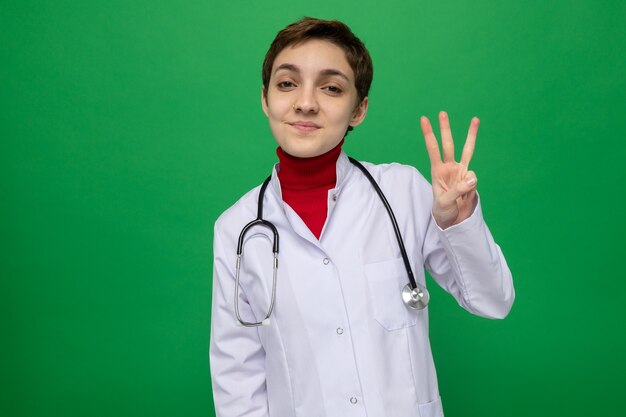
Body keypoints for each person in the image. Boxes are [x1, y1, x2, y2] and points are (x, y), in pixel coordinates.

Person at [210, 17, 514, 417]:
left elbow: (493, 301)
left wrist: (457, 220)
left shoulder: (402, 192)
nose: (305, 102)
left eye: (332, 87)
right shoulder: (238, 228)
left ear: (359, 110)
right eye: (287, 83)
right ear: (265, 98)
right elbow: (238, 381)